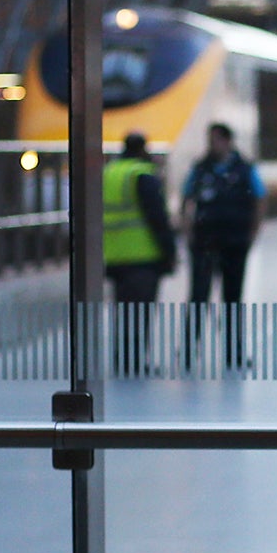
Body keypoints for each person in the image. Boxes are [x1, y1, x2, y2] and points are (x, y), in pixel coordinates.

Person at [180, 122, 265, 365]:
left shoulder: (245, 169)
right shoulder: (200, 169)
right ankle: (188, 350)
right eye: (210, 140)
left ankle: (234, 353)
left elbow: (260, 199)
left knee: (232, 298)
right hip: (204, 242)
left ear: (228, 141)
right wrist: (188, 232)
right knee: (198, 296)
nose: (212, 145)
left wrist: (253, 233)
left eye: (216, 139)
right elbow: (187, 199)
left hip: (235, 242)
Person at [102, 131, 176, 373]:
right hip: (142, 255)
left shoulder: (109, 173)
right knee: (140, 313)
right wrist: (169, 251)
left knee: (122, 311)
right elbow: (158, 218)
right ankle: (134, 362)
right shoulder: (142, 174)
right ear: (144, 149)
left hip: (114, 255)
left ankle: (121, 359)